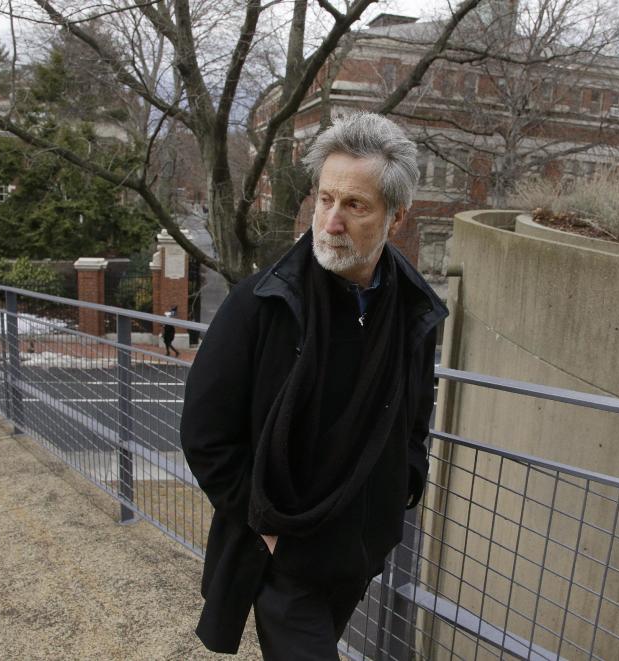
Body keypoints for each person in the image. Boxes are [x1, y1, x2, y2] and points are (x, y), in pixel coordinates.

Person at [179, 113, 447, 658]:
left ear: (397, 216)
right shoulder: (262, 304)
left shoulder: (413, 310)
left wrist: (402, 490)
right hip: (284, 554)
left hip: (358, 548)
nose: (330, 222)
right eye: (326, 199)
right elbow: (206, 435)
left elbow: (415, 417)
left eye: (355, 205)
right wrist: (266, 527)